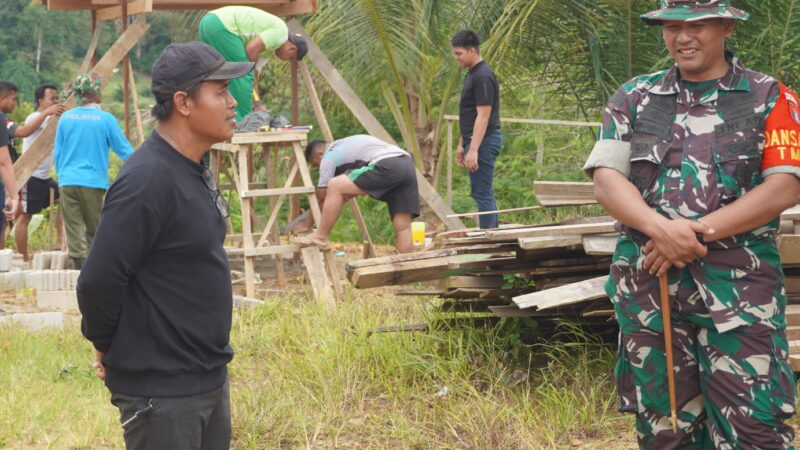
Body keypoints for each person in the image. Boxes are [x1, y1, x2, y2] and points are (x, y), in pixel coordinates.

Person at [583, 1, 799, 447]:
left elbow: (785, 186)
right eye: (672, 27)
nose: (683, 37)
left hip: (740, 294)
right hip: (650, 291)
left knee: (755, 430)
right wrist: (659, 230)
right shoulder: (633, 97)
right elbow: (607, 181)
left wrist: (692, 234)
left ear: (725, 27)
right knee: (666, 430)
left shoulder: (771, 96)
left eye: (696, 25)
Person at [77, 42, 253, 449]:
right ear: (183, 103)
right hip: (163, 392)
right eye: (221, 92)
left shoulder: (193, 167)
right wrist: (103, 342)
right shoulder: (147, 181)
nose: (232, 103)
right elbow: (97, 281)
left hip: (205, 375)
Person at [53, 73, 134, 269]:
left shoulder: (66, 117)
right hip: (93, 181)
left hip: (68, 180)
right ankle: (95, 268)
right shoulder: (105, 119)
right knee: (95, 226)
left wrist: (62, 176)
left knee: (73, 227)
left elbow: (58, 152)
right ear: (96, 93)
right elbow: (125, 150)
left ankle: (79, 265)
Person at [293, 135, 419, 253]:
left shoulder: (328, 156)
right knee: (403, 226)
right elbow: (346, 193)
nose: (318, 168)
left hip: (387, 163)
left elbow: (322, 195)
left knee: (334, 185)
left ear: (319, 154)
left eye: (316, 164)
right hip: (406, 164)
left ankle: (320, 236)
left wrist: (306, 224)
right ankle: (405, 265)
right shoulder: (344, 144)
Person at [199, 5, 308, 121]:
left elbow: (253, 78)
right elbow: (251, 49)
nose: (286, 60)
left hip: (208, 22)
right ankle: (242, 122)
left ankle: (214, 119)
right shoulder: (281, 34)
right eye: (290, 58)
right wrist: (248, 73)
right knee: (241, 73)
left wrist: (257, 103)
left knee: (221, 76)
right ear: (292, 48)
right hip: (222, 25)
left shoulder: (268, 47)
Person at [451, 29, 502, 229]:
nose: (456, 58)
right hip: (474, 140)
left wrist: (474, 149)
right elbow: (469, 114)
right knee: (481, 191)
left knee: (482, 192)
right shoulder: (472, 74)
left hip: (485, 139)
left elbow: (483, 115)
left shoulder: (483, 75)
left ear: (472, 50)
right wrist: (462, 144)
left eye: (459, 53)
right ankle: (492, 237)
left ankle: (490, 239)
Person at [16, 84, 66, 261]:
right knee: (24, 217)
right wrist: (49, 112)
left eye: (57, 98)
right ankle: (24, 258)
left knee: (65, 198)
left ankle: (60, 241)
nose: (56, 102)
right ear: (41, 101)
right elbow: (35, 126)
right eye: (52, 98)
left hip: (44, 178)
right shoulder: (36, 116)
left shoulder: (53, 118)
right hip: (31, 176)